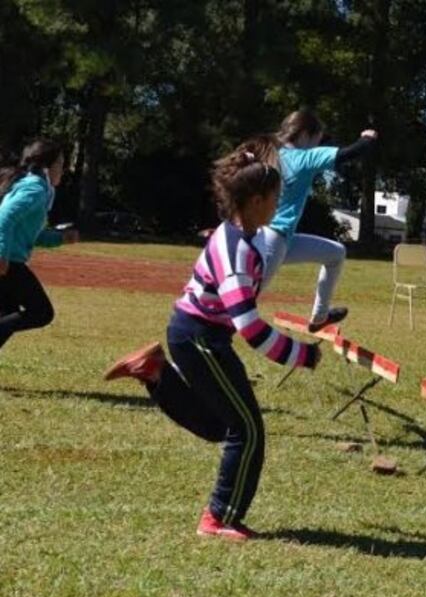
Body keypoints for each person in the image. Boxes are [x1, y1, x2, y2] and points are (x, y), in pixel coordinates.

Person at [104, 139, 322, 541]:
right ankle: (218, 518)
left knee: (222, 427)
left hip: (198, 336)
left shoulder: (242, 234)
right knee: (248, 432)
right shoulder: (237, 251)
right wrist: (301, 355)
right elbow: (251, 328)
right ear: (256, 200)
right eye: (276, 197)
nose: (280, 205)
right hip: (200, 338)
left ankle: (156, 373)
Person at [254, 109, 377, 333]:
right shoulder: (305, 157)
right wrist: (367, 137)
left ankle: (320, 316)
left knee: (336, 253)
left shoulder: (273, 154)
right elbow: (352, 153)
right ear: (305, 135)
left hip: (279, 239)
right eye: (317, 140)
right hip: (273, 241)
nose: (317, 145)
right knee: (241, 306)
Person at [0, 139, 80, 353]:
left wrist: (60, 238)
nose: (64, 170)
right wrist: (1, 254)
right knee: (41, 312)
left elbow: (30, 233)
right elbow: (4, 218)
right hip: (8, 263)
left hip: (10, 260)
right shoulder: (35, 188)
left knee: (8, 314)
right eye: (61, 164)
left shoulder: (34, 186)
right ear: (47, 167)